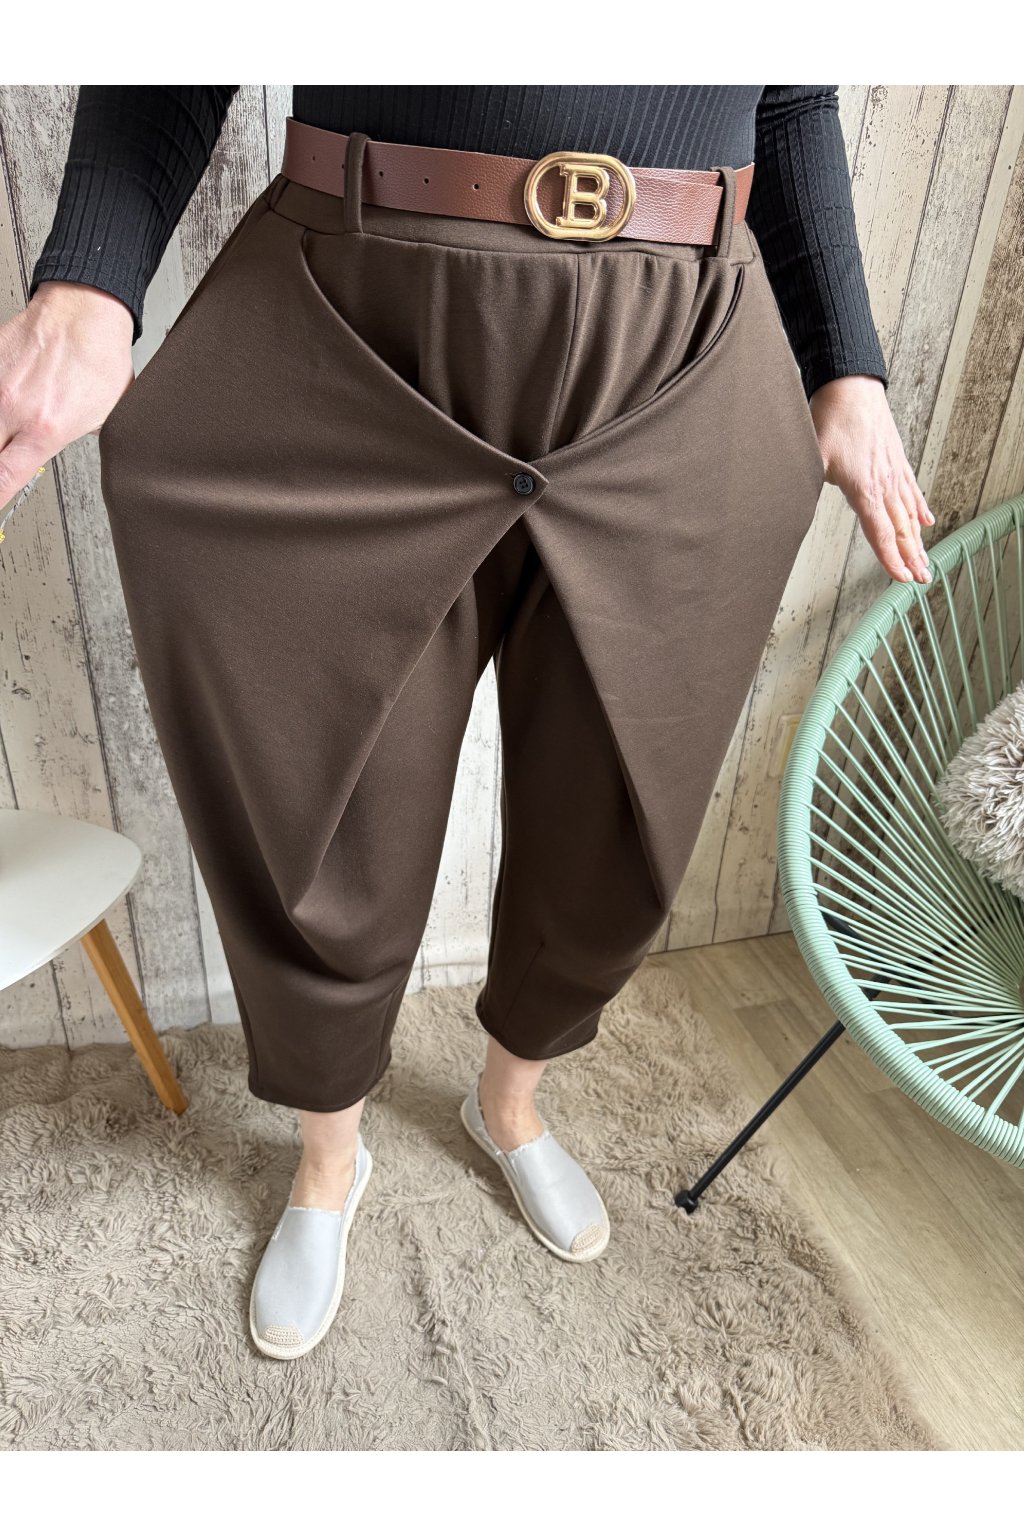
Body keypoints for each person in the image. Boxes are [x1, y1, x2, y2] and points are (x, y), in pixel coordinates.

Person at [0, 86, 932, 1361]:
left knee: (619, 806)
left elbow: (793, 92)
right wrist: (89, 286)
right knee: (322, 800)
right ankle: (329, 1160)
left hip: (685, 346)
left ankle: (510, 1103)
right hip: (353, 314)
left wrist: (848, 365)